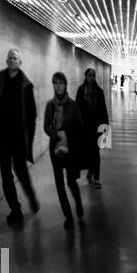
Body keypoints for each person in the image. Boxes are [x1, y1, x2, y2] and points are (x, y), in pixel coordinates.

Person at [0, 49, 40, 225]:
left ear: (20, 62)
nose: (11, 60)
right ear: (6, 60)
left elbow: (32, 114)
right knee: (6, 175)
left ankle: (31, 197)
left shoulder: (26, 85)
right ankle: (15, 209)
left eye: (15, 58)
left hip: (17, 137)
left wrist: (28, 137)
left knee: (20, 170)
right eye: (9, 57)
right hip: (2, 136)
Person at [44, 71, 85, 229]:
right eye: (55, 83)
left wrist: (68, 135)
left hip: (70, 149)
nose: (58, 86)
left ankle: (78, 203)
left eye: (61, 82)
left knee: (70, 181)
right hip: (54, 149)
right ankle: (68, 216)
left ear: (65, 85)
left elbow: (80, 125)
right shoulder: (50, 105)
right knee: (59, 184)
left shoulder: (73, 105)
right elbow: (46, 126)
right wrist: (57, 134)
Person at [75, 67, 109, 189]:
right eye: (90, 75)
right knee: (88, 151)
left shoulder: (99, 92)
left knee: (96, 152)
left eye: (93, 75)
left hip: (96, 126)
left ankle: (97, 178)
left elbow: (103, 110)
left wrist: (106, 128)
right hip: (84, 127)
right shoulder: (80, 90)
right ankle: (90, 171)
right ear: (85, 76)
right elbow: (77, 109)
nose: (92, 78)